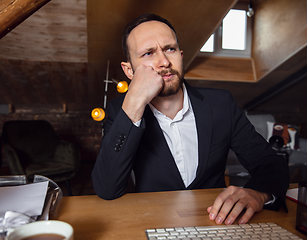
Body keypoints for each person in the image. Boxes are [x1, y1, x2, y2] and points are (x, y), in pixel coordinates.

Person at [92, 13, 289, 225]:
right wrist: (133, 103)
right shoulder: (120, 110)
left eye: (170, 49)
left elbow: (270, 163)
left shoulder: (221, 103)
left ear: (181, 55)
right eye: (148, 53)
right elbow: (107, 188)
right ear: (129, 70)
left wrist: (259, 193)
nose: (164, 62)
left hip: (217, 224)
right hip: (153, 224)